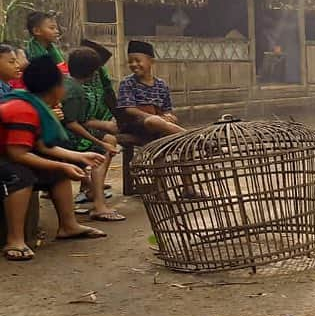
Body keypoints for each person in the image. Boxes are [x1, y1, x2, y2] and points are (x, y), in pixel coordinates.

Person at [0, 56, 107, 260]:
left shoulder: (35, 105)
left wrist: (79, 156)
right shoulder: (22, 109)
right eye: (62, 84)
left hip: (9, 154)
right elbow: (17, 154)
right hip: (7, 158)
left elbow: (41, 145)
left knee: (57, 171)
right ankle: (15, 239)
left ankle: (68, 225)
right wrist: (63, 165)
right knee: (20, 176)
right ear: (54, 89)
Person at [63, 47, 124, 222]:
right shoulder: (77, 92)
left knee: (108, 140)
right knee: (101, 151)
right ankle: (99, 205)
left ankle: (92, 190)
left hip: (65, 133)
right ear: (93, 72)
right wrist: (99, 141)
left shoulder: (67, 83)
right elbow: (74, 124)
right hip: (66, 139)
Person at [116, 40, 184, 141]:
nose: (134, 64)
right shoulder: (127, 82)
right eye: (130, 61)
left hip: (158, 122)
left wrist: (168, 116)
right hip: (134, 124)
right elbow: (129, 109)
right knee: (153, 121)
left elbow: (167, 109)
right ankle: (189, 136)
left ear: (151, 62)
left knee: (172, 120)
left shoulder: (161, 85)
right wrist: (153, 117)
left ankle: (185, 141)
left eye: (138, 61)